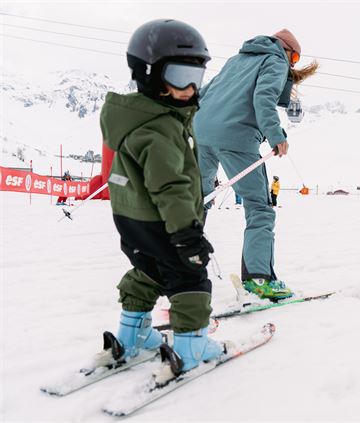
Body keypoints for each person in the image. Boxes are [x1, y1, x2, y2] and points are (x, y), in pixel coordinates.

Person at [98, 19, 221, 377]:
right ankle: (191, 347)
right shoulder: (160, 126)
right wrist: (187, 234)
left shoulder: (135, 120)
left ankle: (132, 335)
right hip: (162, 221)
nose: (188, 89)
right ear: (149, 74)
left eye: (195, 79)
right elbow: (171, 187)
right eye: (179, 76)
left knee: (149, 270)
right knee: (189, 278)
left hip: (131, 221)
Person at [194, 29, 318, 301]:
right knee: (259, 207)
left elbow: (204, 93)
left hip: (201, 131)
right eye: (294, 57)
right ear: (286, 49)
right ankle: (259, 279)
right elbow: (263, 98)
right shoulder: (275, 60)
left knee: (198, 200)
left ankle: (182, 271)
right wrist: (276, 135)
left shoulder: (236, 60)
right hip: (235, 136)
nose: (292, 64)